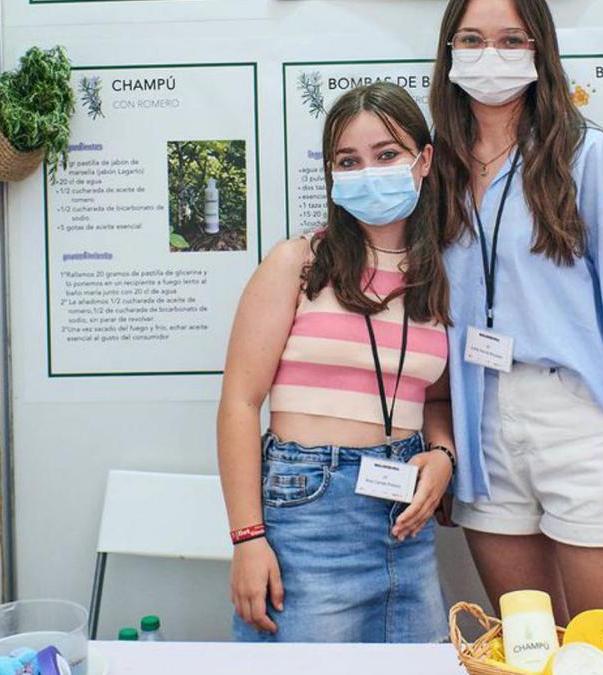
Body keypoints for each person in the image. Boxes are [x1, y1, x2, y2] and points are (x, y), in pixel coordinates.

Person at [428, 0, 603, 627]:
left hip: (577, 418)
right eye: (473, 38)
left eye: (512, 39)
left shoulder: (590, 159)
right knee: (528, 648)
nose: (492, 55)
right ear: (448, 50)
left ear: (541, 49)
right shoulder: (436, 170)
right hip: (481, 420)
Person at [217, 81, 457, 643]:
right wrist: (247, 538)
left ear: (423, 161)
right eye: (349, 160)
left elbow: (438, 397)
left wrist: (442, 456)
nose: (368, 171)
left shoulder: (439, 274)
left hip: (407, 522)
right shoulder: (297, 263)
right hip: (308, 515)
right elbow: (239, 403)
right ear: (331, 173)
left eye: (387, 155)